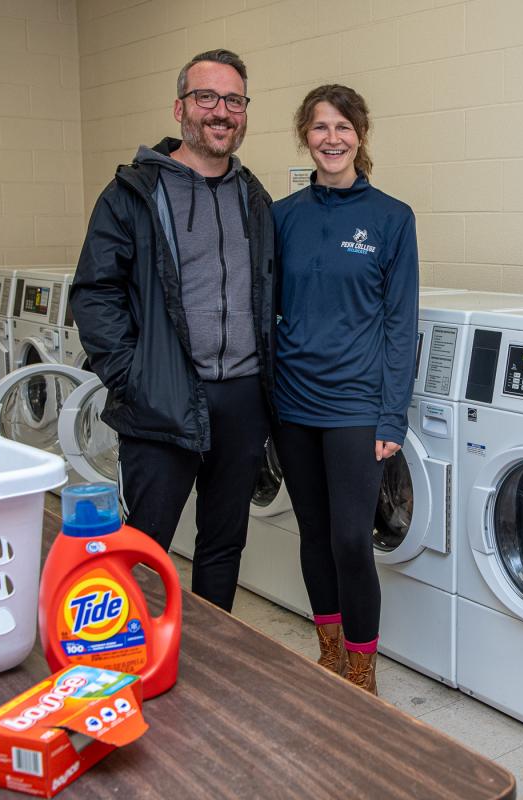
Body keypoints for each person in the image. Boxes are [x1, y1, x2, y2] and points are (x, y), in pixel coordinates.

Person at [70, 49, 276, 612]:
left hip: (243, 395)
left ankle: (210, 655)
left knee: (223, 542)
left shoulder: (255, 199)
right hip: (161, 395)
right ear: (180, 107)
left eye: (234, 100)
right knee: (143, 544)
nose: (221, 111)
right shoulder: (132, 195)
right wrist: (131, 375)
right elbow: (95, 292)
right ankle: (125, 655)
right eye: (207, 97)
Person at [271, 85, 419, 694]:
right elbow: (265, 309)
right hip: (292, 401)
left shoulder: (391, 218)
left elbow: (400, 323)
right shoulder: (282, 217)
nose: (331, 139)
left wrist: (392, 417)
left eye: (343, 127)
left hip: (356, 403)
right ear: (305, 136)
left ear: (361, 134)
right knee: (311, 533)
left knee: (351, 539)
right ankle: (329, 653)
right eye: (319, 127)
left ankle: (362, 671)